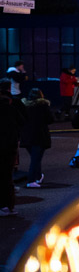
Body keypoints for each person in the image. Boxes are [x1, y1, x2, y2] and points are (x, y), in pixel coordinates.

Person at [19, 88, 53, 188]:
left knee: (35, 158)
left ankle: (38, 177)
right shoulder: (43, 106)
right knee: (36, 159)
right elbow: (50, 120)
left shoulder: (24, 106)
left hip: (27, 136)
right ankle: (31, 180)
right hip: (39, 135)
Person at [0, 80, 24, 216]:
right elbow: (22, 121)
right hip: (10, 145)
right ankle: (10, 206)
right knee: (8, 177)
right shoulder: (12, 108)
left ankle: (3, 206)